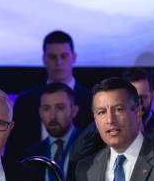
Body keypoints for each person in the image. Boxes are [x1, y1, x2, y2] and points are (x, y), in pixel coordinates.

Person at [5, 31, 93, 160]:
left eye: (64, 56)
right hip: (32, 175)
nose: (58, 62)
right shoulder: (25, 102)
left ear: (73, 57)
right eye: (52, 57)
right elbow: (14, 152)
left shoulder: (91, 100)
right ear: (44, 59)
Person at [69, 67, 154, 165]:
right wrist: (103, 118)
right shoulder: (108, 123)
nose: (138, 103)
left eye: (142, 97)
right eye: (132, 98)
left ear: (152, 96)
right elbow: (76, 154)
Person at [24, 82, 81, 181]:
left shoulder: (91, 148)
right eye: (46, 109)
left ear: (74, 111)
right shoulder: (31, 154)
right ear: (40, 113)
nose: (52, 116)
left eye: (60, 108)